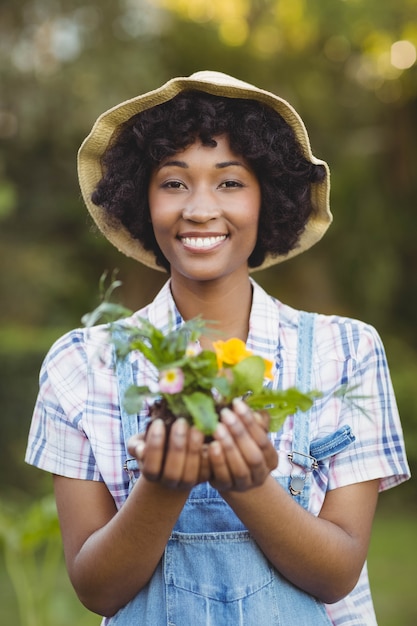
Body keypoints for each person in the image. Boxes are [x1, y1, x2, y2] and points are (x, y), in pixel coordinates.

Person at [25, 71, 410, 625]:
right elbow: (96, 590)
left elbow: (338, 572)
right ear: (141, 198)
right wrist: (160, 489)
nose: (200, 209)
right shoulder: (80, 365)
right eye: (173, 182)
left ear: (268, 198)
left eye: (230, 182)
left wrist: (249, 484)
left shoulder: (347, 351)